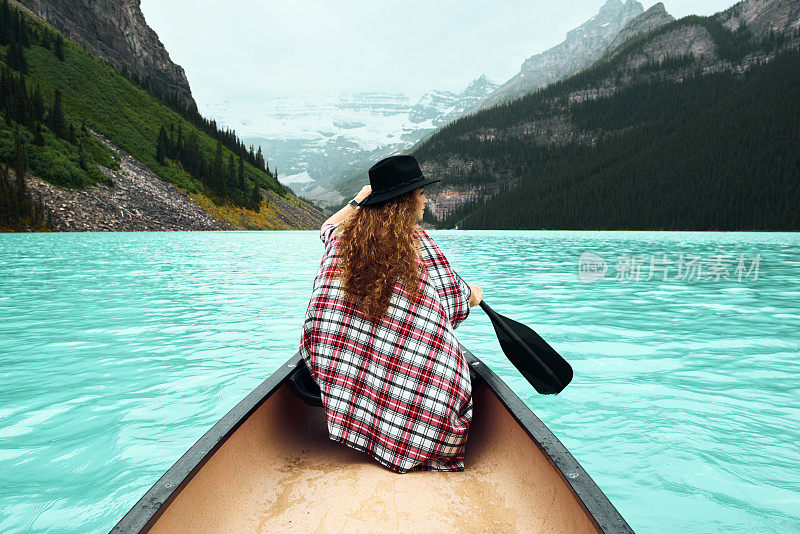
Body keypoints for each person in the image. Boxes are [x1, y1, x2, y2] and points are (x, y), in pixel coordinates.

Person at [299, 154, 483, 473]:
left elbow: (327, 226)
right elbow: (454, 300)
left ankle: (370, 430)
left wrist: (358, 200)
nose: (425, 200)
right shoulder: (418, 246)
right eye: (420, 193)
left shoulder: (343, 239)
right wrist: (474, 295)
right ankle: (412, 436)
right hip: (423, 412)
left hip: (351, 382)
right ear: (405, 202)